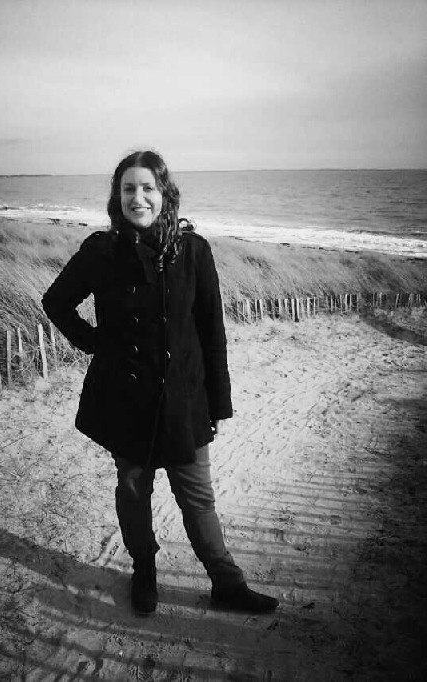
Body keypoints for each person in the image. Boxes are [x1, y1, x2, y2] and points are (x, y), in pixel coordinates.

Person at [42, 150, 278, 616]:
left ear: (164, 194)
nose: (138, 198)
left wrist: (219, 403)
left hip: (182, 399)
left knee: (197, 496)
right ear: (117, 197)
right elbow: (56, 302)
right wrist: (95, 343)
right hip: (126, 396)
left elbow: (212, 332)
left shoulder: (194, 251)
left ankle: (227, 583)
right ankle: (144, 572)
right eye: (128, 189)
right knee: (133, 490)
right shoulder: (101, 251)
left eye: (148, 188)